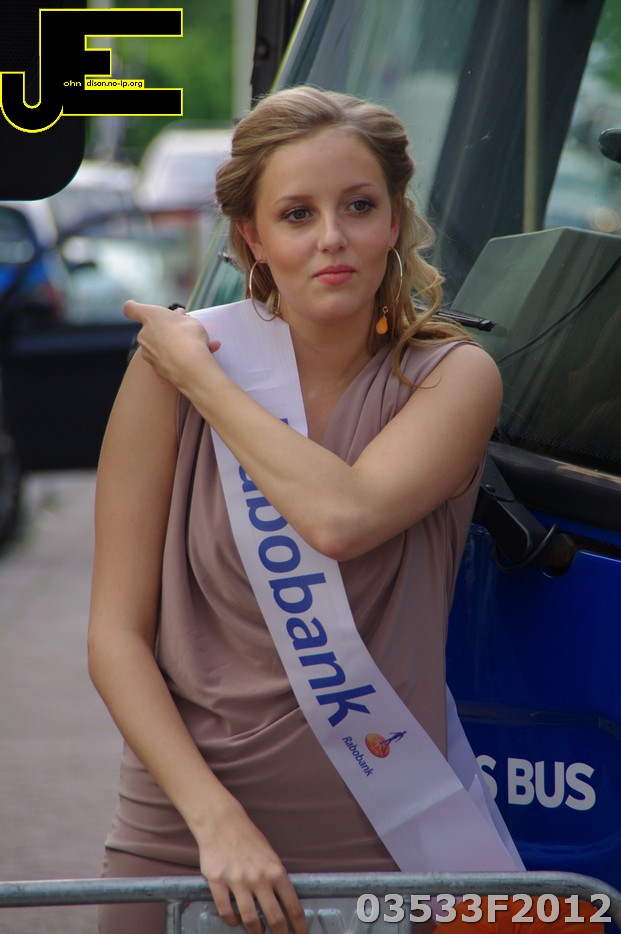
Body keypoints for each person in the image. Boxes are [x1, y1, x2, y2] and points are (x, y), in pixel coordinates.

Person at [88, 86, 508, 934]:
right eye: (296, 214)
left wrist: (202, 377)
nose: (331, 238)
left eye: (358, 206)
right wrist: (215, 823)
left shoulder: (450, 376)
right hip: (183, 835)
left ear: (394, 218)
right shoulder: (161, 376)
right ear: (252, 235)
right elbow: (114, 636)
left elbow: (338, 518)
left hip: (385, 836)